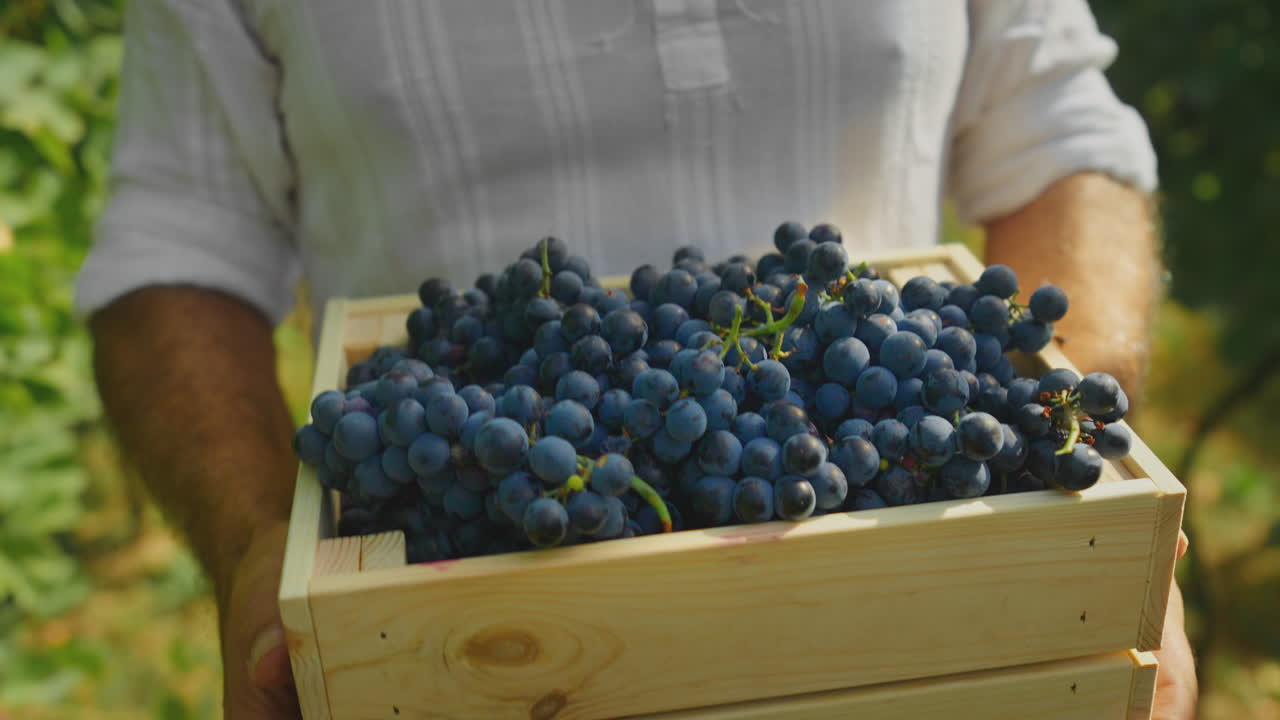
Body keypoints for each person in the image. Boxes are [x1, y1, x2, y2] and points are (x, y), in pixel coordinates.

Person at [75, 1, 1196, 718]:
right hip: (460, 599)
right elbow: (179, 239)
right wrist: (256, 550)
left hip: (922, 603)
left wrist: (1084, 492)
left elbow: (1058, 131)